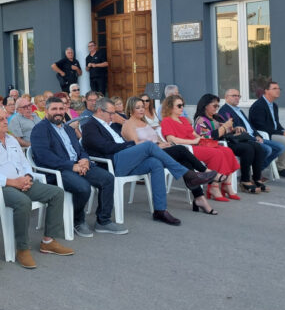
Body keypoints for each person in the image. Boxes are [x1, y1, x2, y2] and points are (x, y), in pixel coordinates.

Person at [83, 98, 215, 225]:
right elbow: (105, 147)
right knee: (148, 145)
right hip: (113, 163)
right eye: (111, 113)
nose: (113, 116)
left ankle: (160, 210)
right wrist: (131, 145)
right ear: (100, 111)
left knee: (155, 163)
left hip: (125, 158)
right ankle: (188, 175)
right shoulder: (90, 126)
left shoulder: (109, 126)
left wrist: (130, 145)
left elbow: (119, 141)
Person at [0, 107, 73, 268]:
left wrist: (27, 177)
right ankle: (22, 248)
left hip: (22, 182)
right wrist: (13, 182)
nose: (6, 122)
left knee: (57, 193)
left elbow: (25, 163)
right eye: (1, 120)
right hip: (0, 187)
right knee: (23, 202)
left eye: (6, 118)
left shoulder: (12, 140)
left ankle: (49, 240)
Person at [30, 97, 121, 237]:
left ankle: (103, 221)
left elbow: (79, 148)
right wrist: (71, 166)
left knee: (108, 178)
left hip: (78, 166)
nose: (58, 112)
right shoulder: (40, 129)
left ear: (65, 110)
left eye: (61, 109)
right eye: (54, 109)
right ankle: (77, 220)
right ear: (46, 110)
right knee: (83, 187)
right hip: (57, 171)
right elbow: (44, 156)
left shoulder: (68, 128)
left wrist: (84, 159)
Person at [122, 96, 217, 210]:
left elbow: (156, 138)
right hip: (146, 157)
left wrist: (163, 143)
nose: (142, 109)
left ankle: (199, 198)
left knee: (185, 160)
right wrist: (158, 145)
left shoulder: (144, 122)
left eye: (142, 107)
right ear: (130, 110)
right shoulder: (128, 124)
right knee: (181, 149)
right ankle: (204, 171)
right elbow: (136, 144)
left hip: (158, 151)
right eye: (138, 108)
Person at [160, 95, 241, 201]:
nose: (182, 108)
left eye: (182, 105)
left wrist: (203, 139)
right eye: (179, 106)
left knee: (227, 150)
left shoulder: (183, 120)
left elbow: (194, 134)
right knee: (216, 153)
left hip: (196, 145)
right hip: (187, 149)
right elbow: (171, 140)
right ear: (170, 107)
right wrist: (193, 141)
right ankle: (213, 187)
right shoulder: (166, 121)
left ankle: (227, 185)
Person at [220, 88, 285, 187]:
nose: (237, 98)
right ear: (226, 97)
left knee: (280, 147)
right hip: (245, 139)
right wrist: (253, 138)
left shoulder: (239, 110)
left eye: (238, 96)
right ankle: (256, 173)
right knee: (267, 149)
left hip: (254, 137)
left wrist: (257, 135)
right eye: (234, 96)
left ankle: (257, 170)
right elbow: (231, 130)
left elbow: (250, 126)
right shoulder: (224, 111)